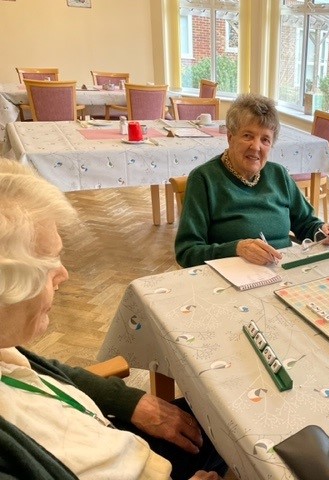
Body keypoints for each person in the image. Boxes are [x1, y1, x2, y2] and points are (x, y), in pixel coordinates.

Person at [0, 159, 225, 480]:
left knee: (222, 417)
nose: (63, 274)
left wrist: (130, 401)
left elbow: (50, 372)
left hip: (113, 437)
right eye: (48, 262)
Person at [175, 93, 329, 268]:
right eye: (247, 136)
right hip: (232, 277)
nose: (256, 147)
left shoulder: (279, 175)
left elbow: (306, 223)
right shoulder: (203, 179)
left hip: (281, 270)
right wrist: (236, 248)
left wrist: (323, 230)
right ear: (230, 137)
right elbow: (187, 252)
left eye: (265, 140)